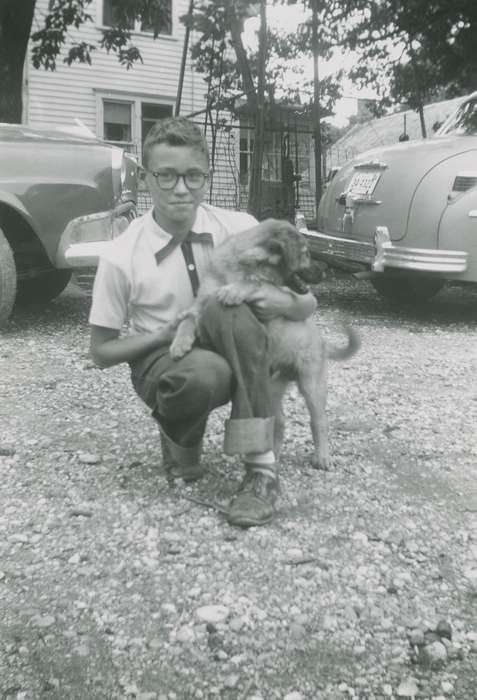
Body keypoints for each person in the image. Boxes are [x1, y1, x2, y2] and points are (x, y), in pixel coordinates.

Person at [89, 116, 317, 528]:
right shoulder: (121, 254)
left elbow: (306, 305)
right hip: (165, 360)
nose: (181, 189)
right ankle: (181, 431)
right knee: (205, 373)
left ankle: (260, 470)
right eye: (167, 176)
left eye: (194, 176)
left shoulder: (241, 227)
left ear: (207, 176)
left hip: (238, 344)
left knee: (227, 307)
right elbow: (101, 352)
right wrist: (163, 333)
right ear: (145, 178)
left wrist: (264, 295)